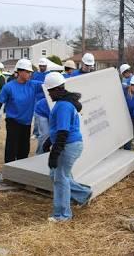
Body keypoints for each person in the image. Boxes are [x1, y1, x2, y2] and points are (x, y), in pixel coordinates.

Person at [42, 72, 92, 222]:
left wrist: (54, 153)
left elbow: (63, 131)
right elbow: (59, 129)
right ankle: (83, 194)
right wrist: (49, 141)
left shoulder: (63, 105)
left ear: (57, 90)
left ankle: (63, 215)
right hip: (71, 144)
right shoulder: (64, 103)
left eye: (50, 91)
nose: (49, 94)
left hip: (68, 145)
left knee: (60, 178)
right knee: (57, 175)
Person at [0, 59, 44, 163]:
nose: (30, 74)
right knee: (11, 148)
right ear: (19, 72)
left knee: (24, 149)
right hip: (13, 121)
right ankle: (9, 169)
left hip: (27, 122)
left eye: (31, 72)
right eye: (28, 72)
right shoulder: (9, 87)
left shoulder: (33, 85)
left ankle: (21, 170)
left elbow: (49, 85)